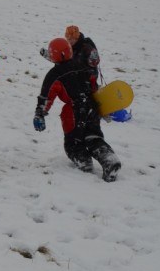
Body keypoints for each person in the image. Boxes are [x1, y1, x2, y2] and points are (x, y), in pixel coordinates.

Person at [34, 36, 121, 182]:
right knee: (93, 137)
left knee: (73, 143)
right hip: (92, 106)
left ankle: (84, 162)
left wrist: (40, 114)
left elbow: (46, 96)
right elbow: (93, 83)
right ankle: (109, 159)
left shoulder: (54, 75)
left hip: (74, 111)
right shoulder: (82, 64)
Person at [64, 25, 100, 90]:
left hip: (87, 80)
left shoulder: (87, 48)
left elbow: (94, 63)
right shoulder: (70, 48)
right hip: (74, 79)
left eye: (71, 39)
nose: (69, 41)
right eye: (68, 39)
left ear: (76, 38)